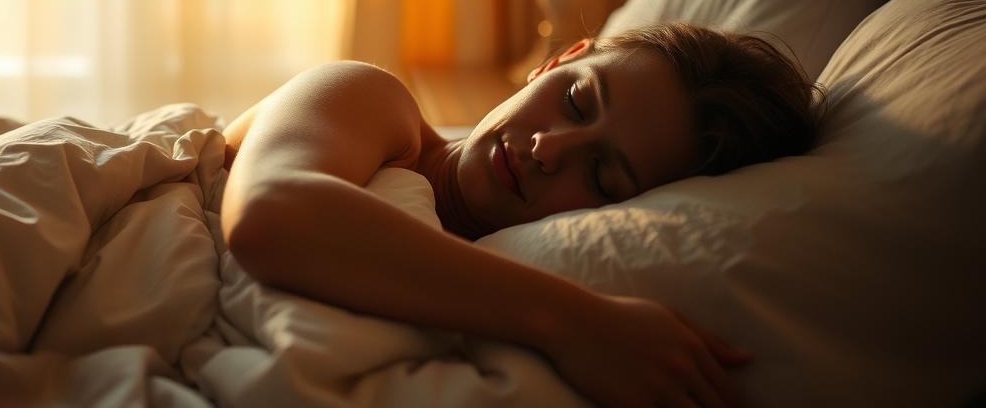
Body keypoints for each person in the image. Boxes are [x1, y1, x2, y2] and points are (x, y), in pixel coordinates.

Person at [219, 22, 819, 408]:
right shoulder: (373, 103)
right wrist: (577, 323)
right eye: (576, 101)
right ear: (559, 60)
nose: (548, 149)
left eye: (604, 176)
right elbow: (268, 212)